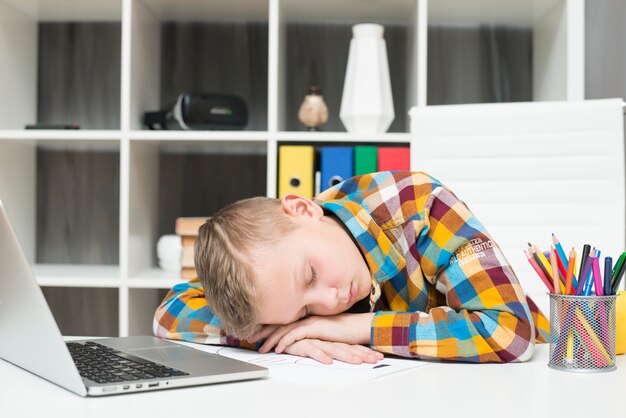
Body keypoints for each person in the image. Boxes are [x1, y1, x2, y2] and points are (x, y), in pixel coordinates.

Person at [154, 171, 549, 364]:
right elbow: (169, 314)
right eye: (304, 312)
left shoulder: (419, 206)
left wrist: (355, 328)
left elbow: (508, 333)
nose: (330, 300)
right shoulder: (265, 270)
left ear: (303, 209)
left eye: (310, 275)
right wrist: (285, 335)